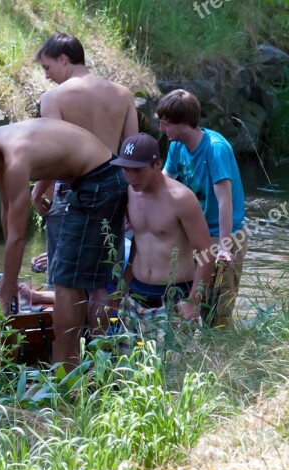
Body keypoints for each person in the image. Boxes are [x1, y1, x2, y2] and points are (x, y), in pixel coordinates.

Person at [0, 118, 128, 368]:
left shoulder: (15, 160)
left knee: (68, 282)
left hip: (102, 181)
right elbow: (7, 211)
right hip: (89, 180)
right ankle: (86, 370)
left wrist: (5, 294)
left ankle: (69, 372)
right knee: (77, 281)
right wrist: (7, 279)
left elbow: (19, 237)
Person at [31, 33, 138, 291]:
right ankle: (101, 332)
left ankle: (69, 332)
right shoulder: (123, 95)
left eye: (47, 67)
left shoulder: (54, 99)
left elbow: (56, 155)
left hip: (72, 191)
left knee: (62, 279)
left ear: (64, 59)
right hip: (115, 190)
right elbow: (133, 153)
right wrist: (133, 199)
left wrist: (36, 192)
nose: (46, 75)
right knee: (103, 275)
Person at [110, 134, 214, 340]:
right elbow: (139, 242)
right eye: (126, 170)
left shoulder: (181, 198)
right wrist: (123, 286)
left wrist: (193, 301)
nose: (131, 177)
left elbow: (206, 253)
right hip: (136, 293)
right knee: (130, 368)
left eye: (138, 170)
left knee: (169, 370)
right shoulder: (131, 192)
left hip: (173, 297)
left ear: (157, 164)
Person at [157, 89, 246, 327]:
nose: (162, 129)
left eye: (166, 124)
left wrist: (225, 246)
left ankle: (222, 357)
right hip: (195, 233)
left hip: (222, 234)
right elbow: (166, 180)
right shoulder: (176, 145)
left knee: (217, 310)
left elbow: (224, 200)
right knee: (189, 301)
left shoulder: (215, 149)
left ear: (185, 123)